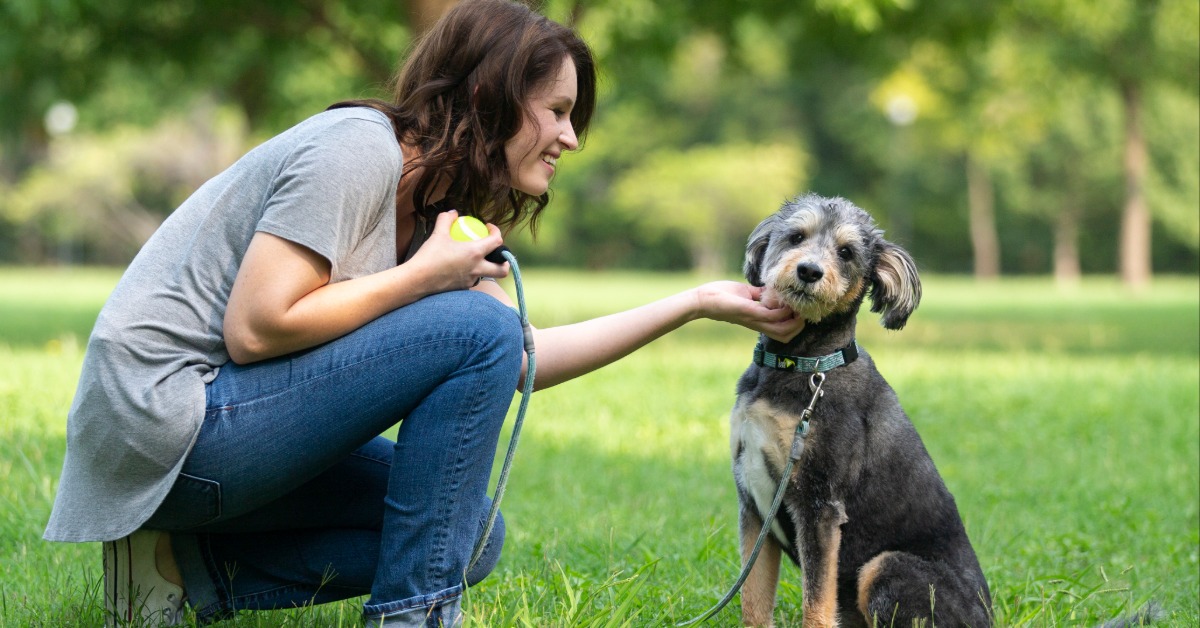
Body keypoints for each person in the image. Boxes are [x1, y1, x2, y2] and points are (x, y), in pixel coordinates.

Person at [43, 0, 804, 626]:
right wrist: (424, 281)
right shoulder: (356, 149)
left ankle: (180, 574)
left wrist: (696, 304)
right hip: (167, 426)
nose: (571, 137)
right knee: (475, 333)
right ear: (489, 97)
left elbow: (521, 357)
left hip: (221, 442)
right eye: (558, 111)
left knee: (466, 534)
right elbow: (257, 326)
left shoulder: (438, 211)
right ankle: (415, 618)